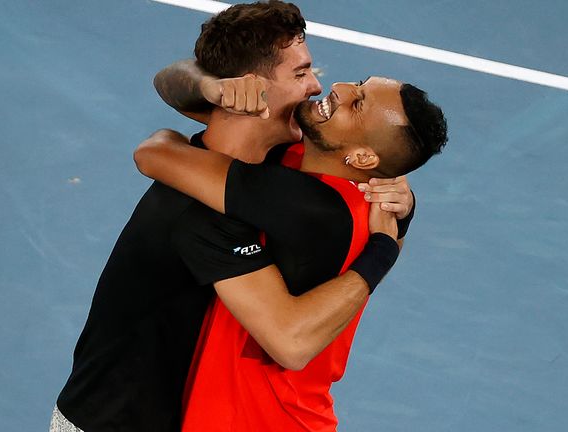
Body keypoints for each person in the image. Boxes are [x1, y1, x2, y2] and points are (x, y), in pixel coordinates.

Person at [51, 2, 418, 430]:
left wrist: (400, 201)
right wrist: (382, 250)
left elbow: (166, 108)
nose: (316, 88)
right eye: (300, 74)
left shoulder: (265, 160)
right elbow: (291, 340)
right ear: (251, 93)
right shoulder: (203, 214)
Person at [135, 71, 447, 430]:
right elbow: (178, 90)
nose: (339, 88)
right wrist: (214, 89)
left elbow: (152, 155)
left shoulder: (305, 208)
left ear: (362, 158)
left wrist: (169, 135)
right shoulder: (315, 164)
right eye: (359, 84)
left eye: (358, 104)